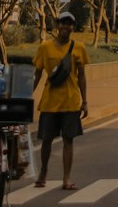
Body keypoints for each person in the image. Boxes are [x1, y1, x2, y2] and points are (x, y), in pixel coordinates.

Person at [32, 12, 89, 191]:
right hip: (50, 101)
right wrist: (26, 95)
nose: (66, 27)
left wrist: (85, 101)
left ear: (73, 27)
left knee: (68, 140)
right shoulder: (45, 47)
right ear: (57, 25)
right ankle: (43, 172)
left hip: (71, 101)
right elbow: (37, 73)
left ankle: (66, 178)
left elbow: (82, 77)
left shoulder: (79, 47)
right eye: (63, 23)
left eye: (69, 24)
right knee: (46, 139)